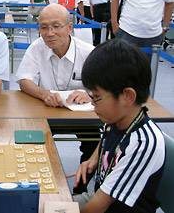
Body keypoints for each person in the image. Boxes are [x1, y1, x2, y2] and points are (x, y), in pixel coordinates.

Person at [68, 39, 165, 212]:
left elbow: (98, 206)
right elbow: (107, 137)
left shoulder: (143, 143)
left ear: (127, 96)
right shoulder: (115, 120)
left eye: (96, 97)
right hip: (103, 199)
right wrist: (93, 160)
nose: (92, 104)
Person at [16, 3, 98, 194]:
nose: (49, 33)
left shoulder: (88, 52)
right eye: (44, 27)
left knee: (95, 144)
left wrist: (90, 94)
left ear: (69, 28)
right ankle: (40, 186)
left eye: (56, 26)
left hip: (82, 114)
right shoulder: (37, 48)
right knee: (30, 138)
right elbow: (24, 80)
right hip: (48, 111)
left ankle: (80, 189)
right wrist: (43, 94)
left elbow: (109, 86)